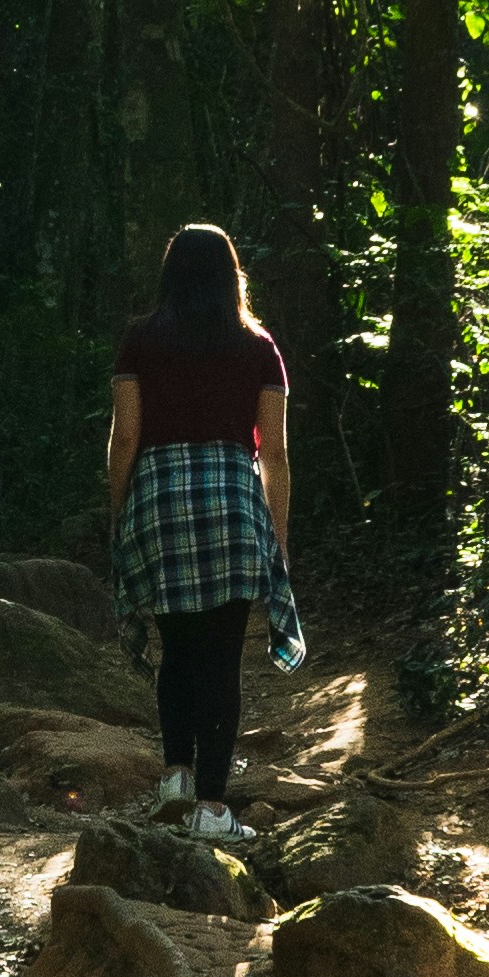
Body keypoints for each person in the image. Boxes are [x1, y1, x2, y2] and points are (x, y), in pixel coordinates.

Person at [104, 223, 302, 838]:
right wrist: (279, 535)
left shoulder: (139, 340)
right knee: (221, 660)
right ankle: (214, 812)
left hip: (159, 502)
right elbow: (274, 454)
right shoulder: (259, 346)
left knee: (178, 650)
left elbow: (126, 438)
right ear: (230, 275)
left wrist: (119, 516)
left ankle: (175, 778)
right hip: (233, 506)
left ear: (170, 274)